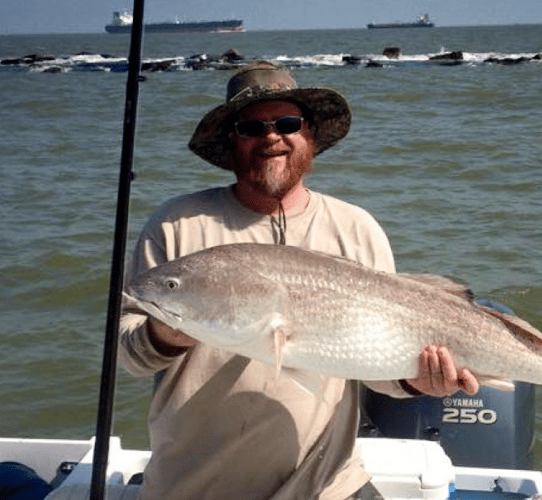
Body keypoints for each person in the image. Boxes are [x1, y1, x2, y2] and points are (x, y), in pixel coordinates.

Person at [118, 61, 479, 500]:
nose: (271, 136)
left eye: (287, 122)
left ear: (309, 135)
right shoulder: (176, 226)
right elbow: (129, 353)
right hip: (196, 487)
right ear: (232, 141)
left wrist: (418, 382)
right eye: (251, 126)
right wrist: (166, 330)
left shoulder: (356, 228)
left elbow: (376, 364)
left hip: (329, 484)